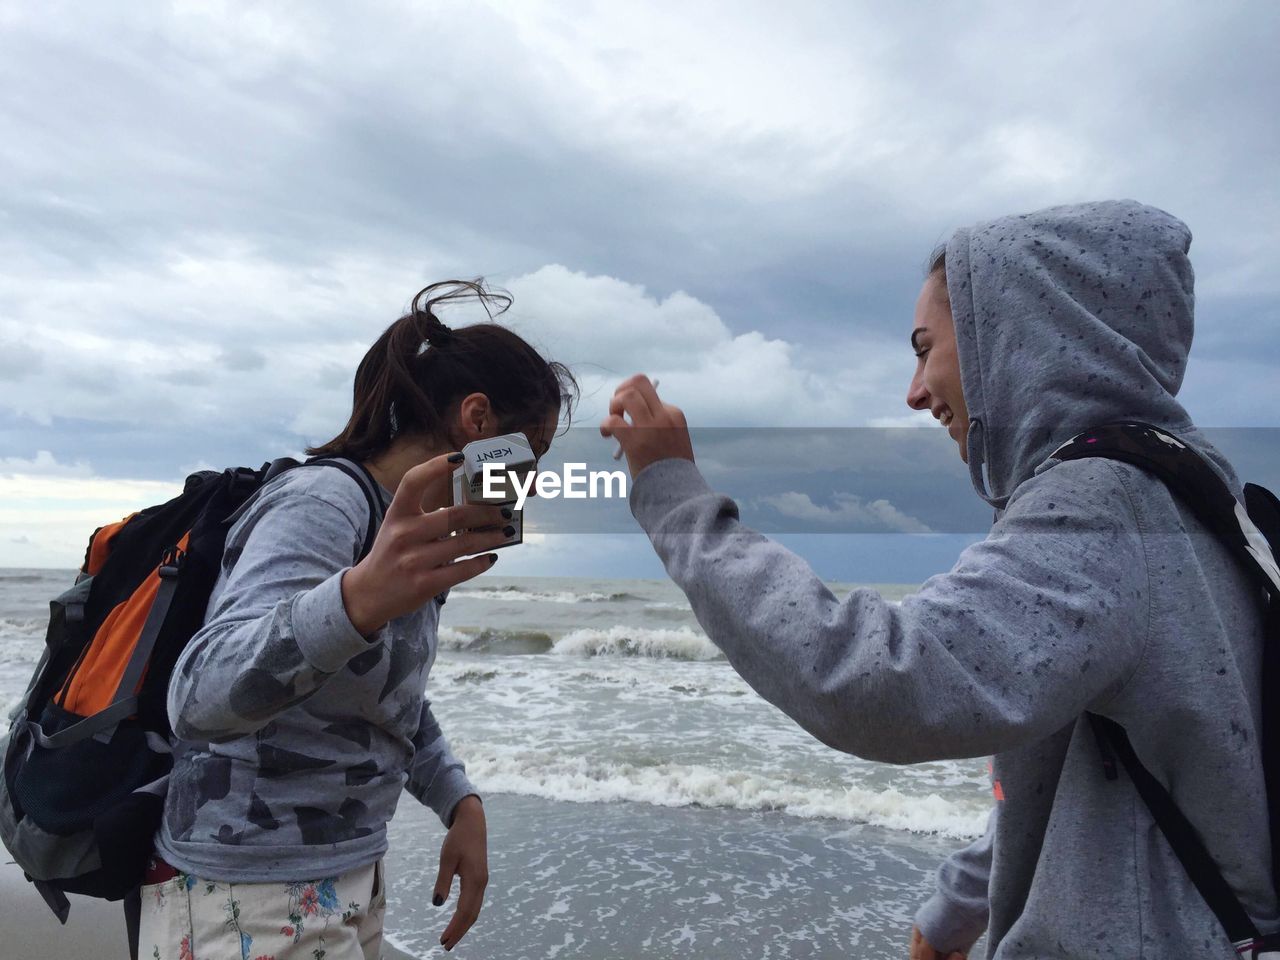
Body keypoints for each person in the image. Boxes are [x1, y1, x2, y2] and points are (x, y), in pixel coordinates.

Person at [601, 201, 1278, 958]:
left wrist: (671, 493)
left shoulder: (1102, 504)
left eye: (927, 350)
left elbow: (878, 677)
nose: (915, 392)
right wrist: (959, 908)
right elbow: (1091, 757)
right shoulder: (1199, 496)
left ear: (1019, 337)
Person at [140, 280, 577, 959]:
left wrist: (459, 801)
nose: (534, 480)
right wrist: (354, 601)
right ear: (479, 420)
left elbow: (384, 699)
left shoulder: (411, 541)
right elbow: (195, 697)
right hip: (243, 890)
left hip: (349, 876)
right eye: (534, 452)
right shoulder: (323, 503)